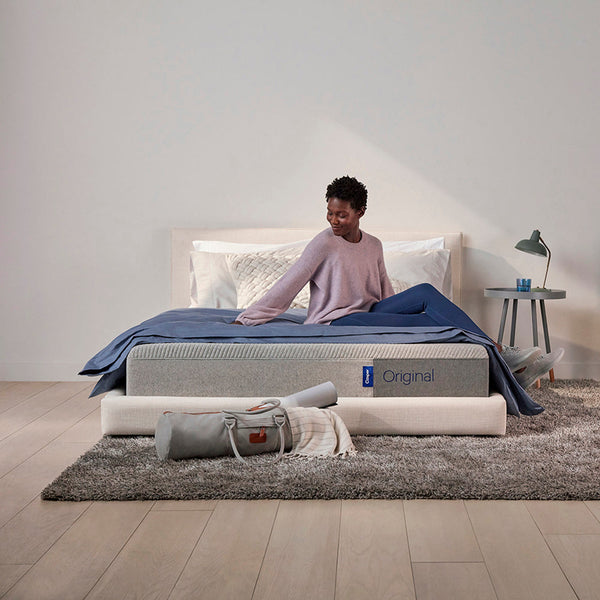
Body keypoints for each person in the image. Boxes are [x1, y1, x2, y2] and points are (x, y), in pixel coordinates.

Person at [234, 176, 563, 388]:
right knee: (429, 316)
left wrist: (399, 322)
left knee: (425, 296)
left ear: (360, 211)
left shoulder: (373, 244)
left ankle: (507, 361)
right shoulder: (323, 243)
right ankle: (502, 353)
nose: (334, 221)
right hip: (337, 321)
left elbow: (383, 289)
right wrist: (251, 316)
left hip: (369, 312)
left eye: (342, 215)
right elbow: (290, 283)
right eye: (330, 213)